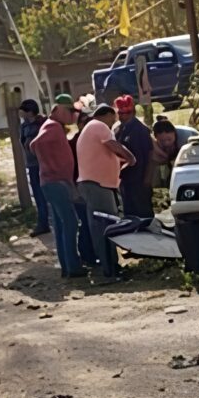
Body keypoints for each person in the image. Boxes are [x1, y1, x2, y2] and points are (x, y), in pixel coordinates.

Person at [77, 105, 136, 283]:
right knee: (106, 227)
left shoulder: (89, 129)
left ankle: (111, 267)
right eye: (113, 118)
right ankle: (110, 270)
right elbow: (113, 145)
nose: (113, 122)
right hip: (97, 186)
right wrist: (131, 157)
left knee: (103, 227)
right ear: (108, 115)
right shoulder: (98, 126)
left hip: (95, 184)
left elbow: (107, 155)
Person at [30, 94, 83, 278]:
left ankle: (67, 267)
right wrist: (52, 165)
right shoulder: (52, 126)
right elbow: (35, 144)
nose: (71, 115)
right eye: (69, 111)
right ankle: (73, 267)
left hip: (53, 182)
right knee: (70, 224)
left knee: (62, 226)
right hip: (56, 182)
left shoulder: (54, 127)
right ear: (59, 109)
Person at [113, 95, 155, 219]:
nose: (123, 116)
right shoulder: (118, 130)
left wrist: (148, 178)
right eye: (120, 113)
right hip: (125, 179)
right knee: (129, 213)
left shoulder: (141, 130)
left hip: (140, 179)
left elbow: (150, 155)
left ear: (133, 112)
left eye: (126, 113)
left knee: (143, 213)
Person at [69, 108, 98, 268]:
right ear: (79, 124)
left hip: (94, 186)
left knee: (94, 222)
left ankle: (93, 255)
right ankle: (87, 256)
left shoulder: (94, 140)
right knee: (86, 224)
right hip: (80, 187)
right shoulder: (74, 143)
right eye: (84, 122)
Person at [18, 99, 49, 236]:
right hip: (32, 164)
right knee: (38, 195)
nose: (20, 114)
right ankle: (43, 223)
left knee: (48, 194)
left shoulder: (42, 123)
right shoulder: (24, 126)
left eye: (23, 111)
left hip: (43, 163)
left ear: (30, 111)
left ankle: (49, 222)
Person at [151, 118, 199, 186]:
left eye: (169, 139)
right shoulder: (155, 143)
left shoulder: (186, 138)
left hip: (195, 151)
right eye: (162, 141)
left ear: (174, 133)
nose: (166, 143)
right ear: (156, 138)